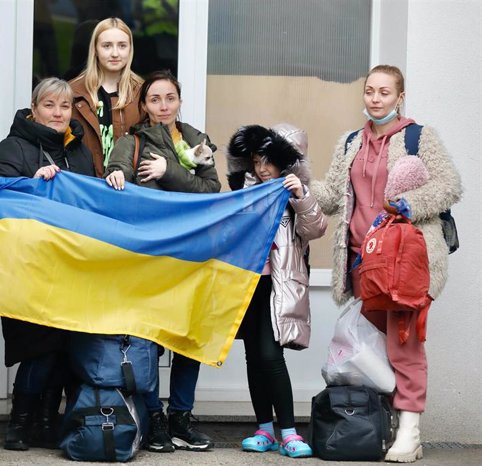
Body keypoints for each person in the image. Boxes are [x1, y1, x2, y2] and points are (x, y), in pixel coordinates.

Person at [310, 64, 462, 463]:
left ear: (400, 97)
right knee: (372, 351)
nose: (375, 99)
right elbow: (329, 196)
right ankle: (386, 426)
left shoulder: (418, 137)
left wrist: (413, 204)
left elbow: (449, 185)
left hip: (406, 261)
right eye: (370, 92)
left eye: (384, 93)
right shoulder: (349, 143)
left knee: (404, 344)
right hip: (363, 263)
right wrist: (293, 182)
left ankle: (410, 431)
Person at [105, 70, 220, 453]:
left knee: (189, 340)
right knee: (149, 341)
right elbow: (115, 174)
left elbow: (211, 189)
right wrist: (118, 175)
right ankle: (154, 419)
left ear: (179, 101)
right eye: (155, 99)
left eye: (170, 98)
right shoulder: (131, 140)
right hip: (150, 257)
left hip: (192, 255)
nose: (163, 106)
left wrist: (167, 171)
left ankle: (181, 420)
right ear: (144, 105)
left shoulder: (197, 140)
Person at [0, 77, 94, 451]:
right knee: (39, 349)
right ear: (34, 109)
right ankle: (19, 426)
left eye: (64, 107)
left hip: (71, 267)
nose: (58, 113)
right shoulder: (13, 147)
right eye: (49, 105)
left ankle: (48, 425)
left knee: (65, 349)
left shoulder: (79, 150)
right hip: (29, 268)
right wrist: (32, 183)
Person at [227, 123, 327, 459]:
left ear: (286, 163)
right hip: (249, 284)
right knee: (253, 357)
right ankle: (264, 430)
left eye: (268, 161)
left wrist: (300, 195)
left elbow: (316, 228)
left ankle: (289, 432)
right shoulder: (248, 191)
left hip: (278, 286)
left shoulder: (295, 193)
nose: (262, 169)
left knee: (271, 356)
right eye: (256, 162)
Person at [70, 17, 144, 178]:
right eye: (107, 46)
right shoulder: (73, 92)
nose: (115, 53)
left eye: (122, 46)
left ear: (130, 49)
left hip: (130, 188)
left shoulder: (142, 93)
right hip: (85, 188)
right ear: (95, 49)